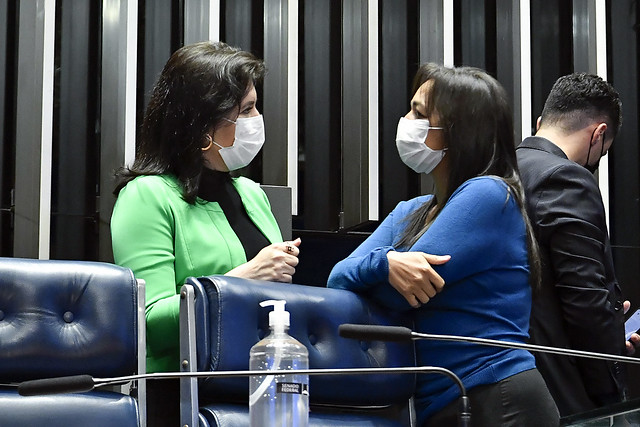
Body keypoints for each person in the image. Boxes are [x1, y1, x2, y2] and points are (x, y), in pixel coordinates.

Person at [328, 63, 559, 426]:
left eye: (420, 114)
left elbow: (397, 296)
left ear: (458, 130)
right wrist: (385, 264)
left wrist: (380, 273)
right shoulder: (412, 211)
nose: (406, 121)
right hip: (445, 400)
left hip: (496, 396)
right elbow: (336, 280)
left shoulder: (489, 193)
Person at [110, 41, 300, 426]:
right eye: (246, 110)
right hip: (181, 395)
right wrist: (242, 279)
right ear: (202, 125)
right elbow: (148, 323)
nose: (257, 120)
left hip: (260, 386)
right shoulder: (147, 195)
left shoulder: (252, 194)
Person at [516, 72, 629, 416]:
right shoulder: (567, 177)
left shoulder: (498, 169)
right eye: (603, 152)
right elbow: (585, 302)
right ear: (599, 134)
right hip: (561, 389)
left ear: (541, 122)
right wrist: (612, 380)